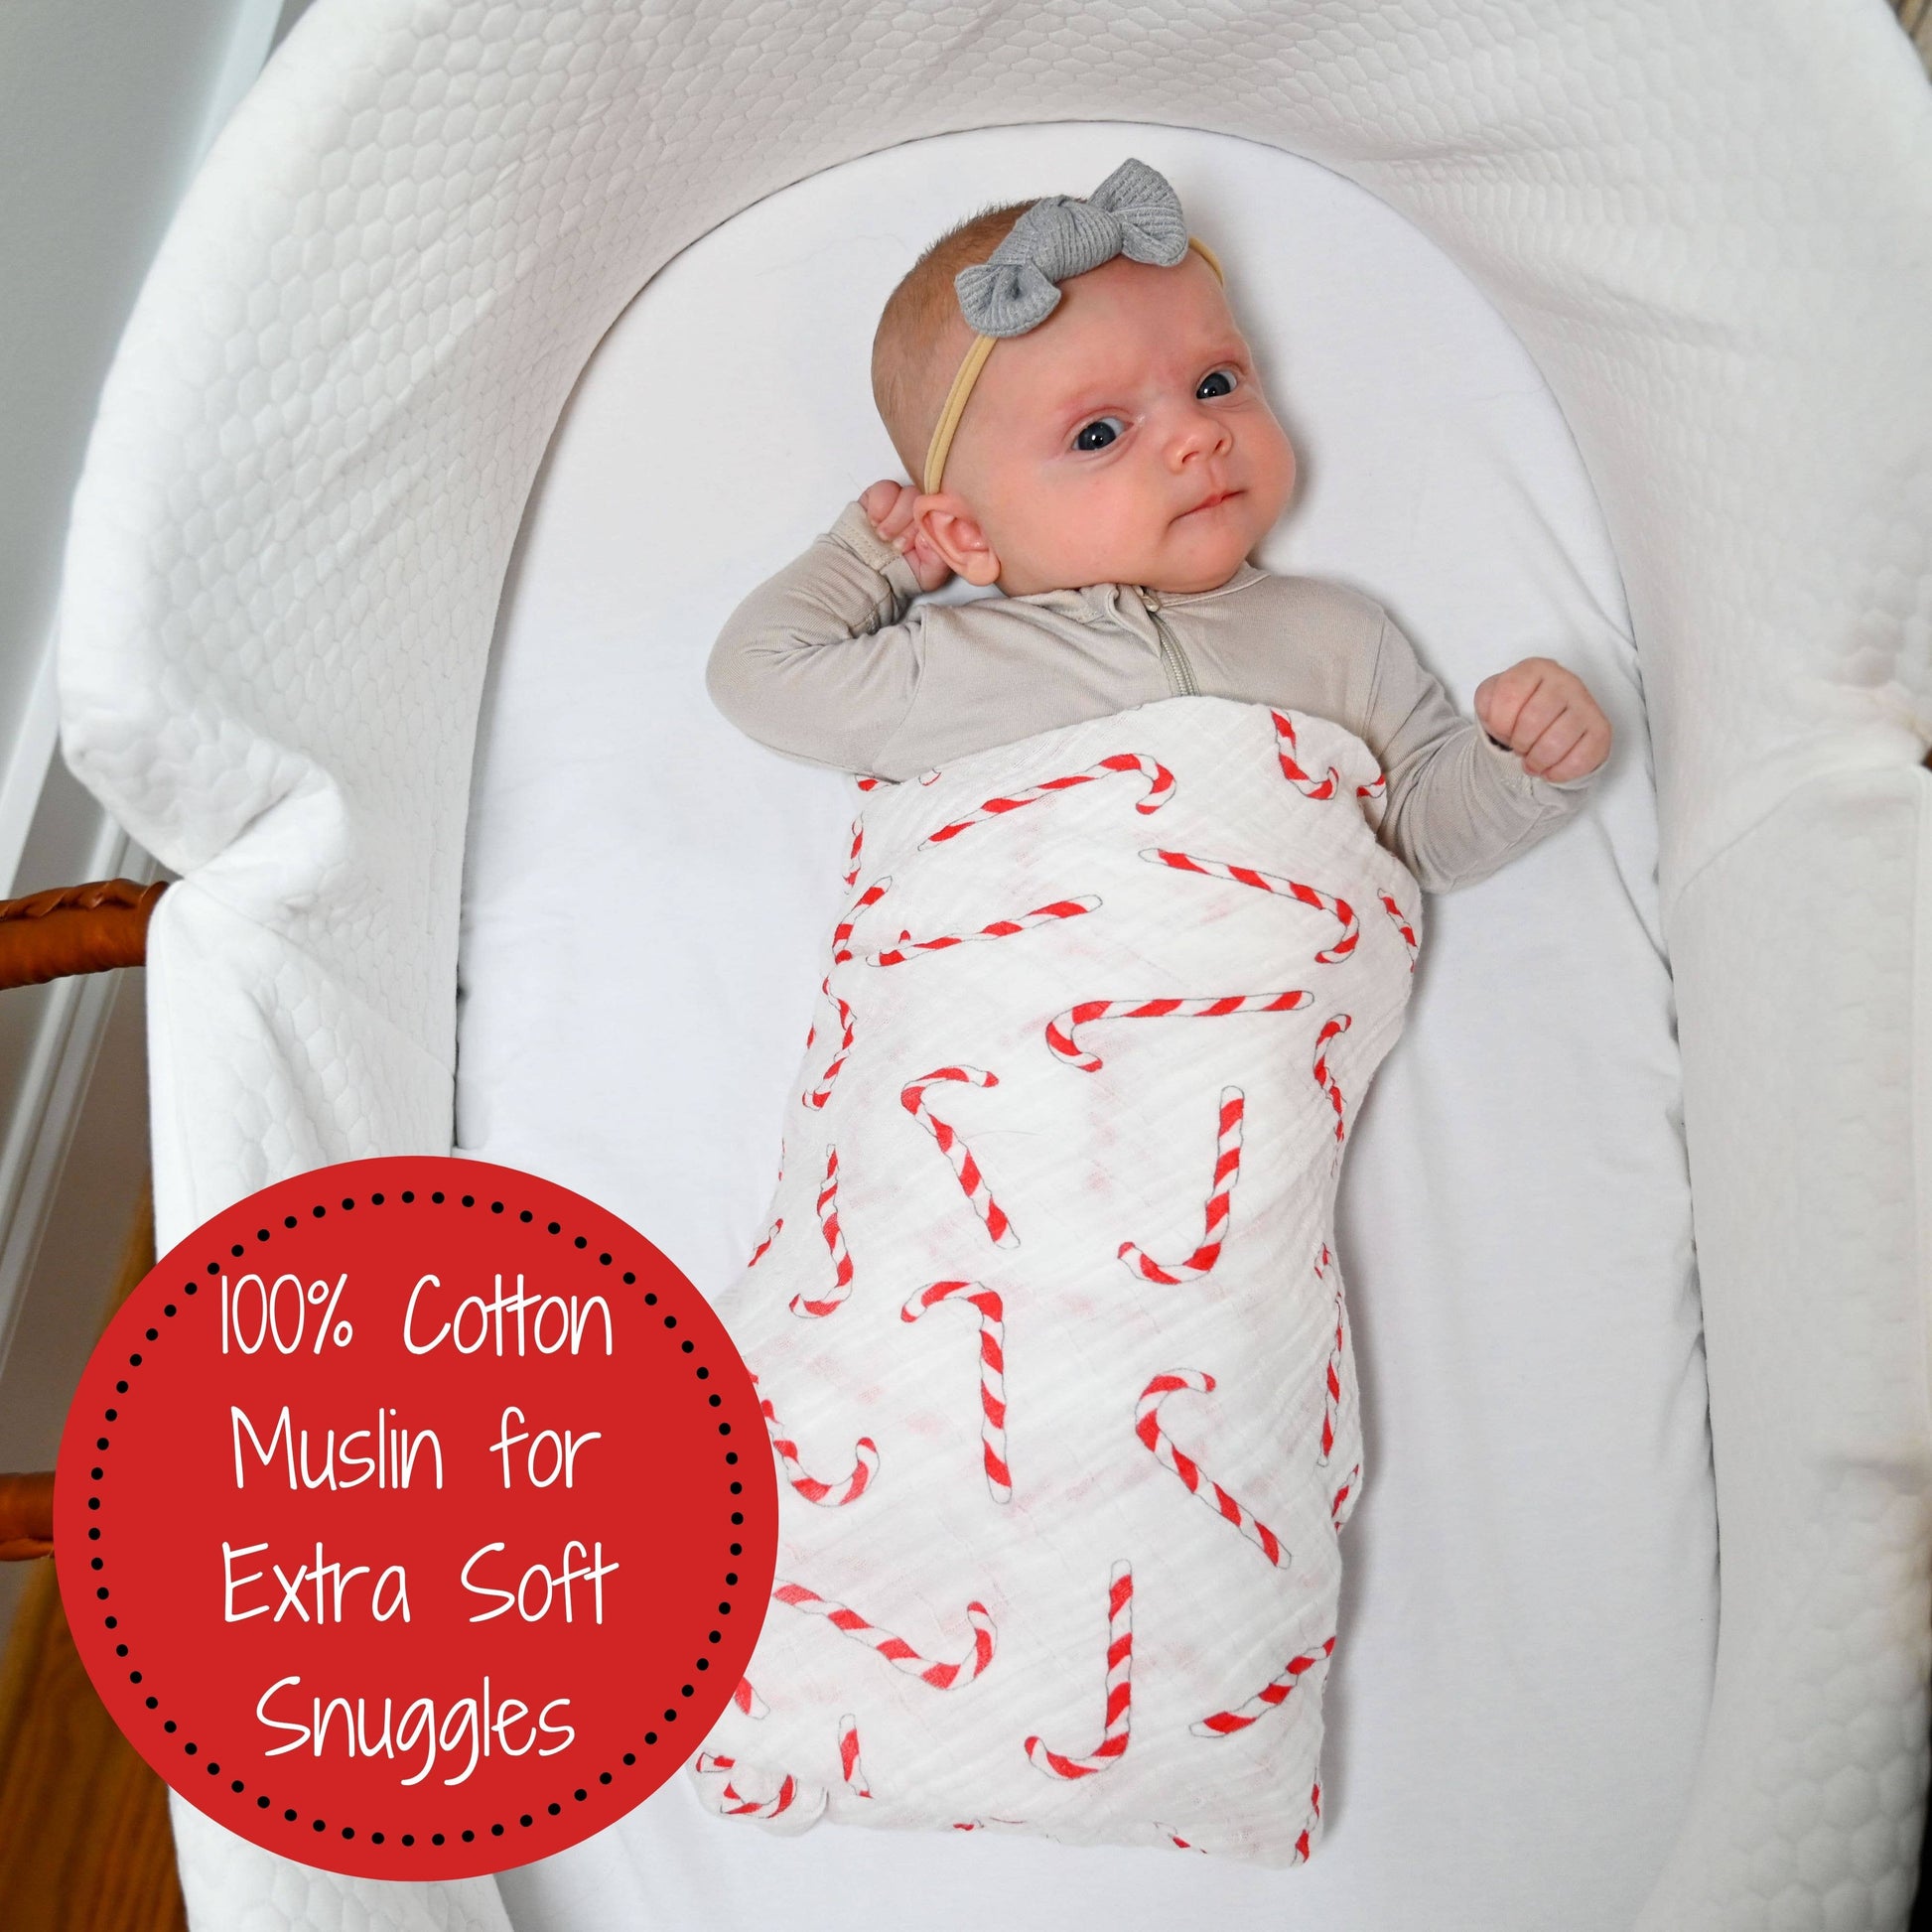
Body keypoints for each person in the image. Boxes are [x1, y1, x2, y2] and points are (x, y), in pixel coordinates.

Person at [706, 156, 1610, 894]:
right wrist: (874, 558)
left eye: (1215, 383)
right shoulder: (950, 669)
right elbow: (757, 675)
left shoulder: (1338, 640)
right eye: (1099, 433)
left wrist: (1514, 764)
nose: (1197, 435)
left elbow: (1416, 834)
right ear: (970, 537)